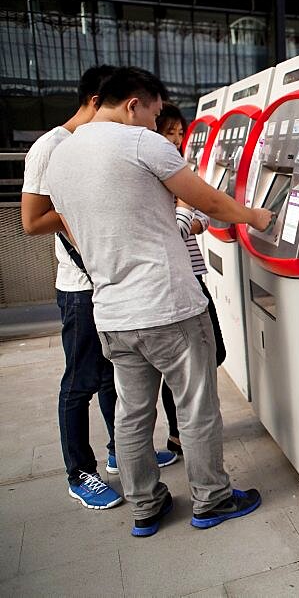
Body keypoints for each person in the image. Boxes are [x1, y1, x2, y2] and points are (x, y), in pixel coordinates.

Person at [46, 66, 273, 538]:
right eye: (153, 114)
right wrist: (256, 215)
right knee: (196, 406)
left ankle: (145, 506)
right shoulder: (139, 142)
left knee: (132, 413)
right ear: (134, 104)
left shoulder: (62, 158)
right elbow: (208, 202)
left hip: (111, 309)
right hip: (168, 306)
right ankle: (212, 499)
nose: (156, 125)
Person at [20, 65, 176, 511]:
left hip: (110, 277)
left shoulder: (90, 144)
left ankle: (116, 451)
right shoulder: (52, 147)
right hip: (79, 286)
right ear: (97, 101)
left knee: (113, 375)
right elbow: (31, 221)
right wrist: (86, 211)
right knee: (80, 379)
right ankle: (78, 471)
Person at [155, 103, 227, 455]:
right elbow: (184, 225)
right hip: (179, 281)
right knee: (188, 364)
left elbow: (203, 218)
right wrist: (190, 212)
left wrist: (193, 217)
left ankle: (181, 431)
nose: (178, 140)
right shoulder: (160, 177)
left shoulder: (177, 173)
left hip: (192, 274)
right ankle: (182, 433)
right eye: (171, 133)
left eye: (181, 133)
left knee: (211, 354)